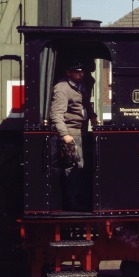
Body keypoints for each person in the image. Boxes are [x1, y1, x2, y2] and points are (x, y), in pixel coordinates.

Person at [50, 59, 97, 211]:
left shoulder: (82, 84)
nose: (81, 74)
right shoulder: (62, 88)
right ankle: (73, 203)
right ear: (68, 73)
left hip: (81, 130)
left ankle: (78, 199)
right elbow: (56, 114)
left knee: (82, 167)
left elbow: (86, 103)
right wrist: (65, 135)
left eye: (82, 71)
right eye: (77, 72)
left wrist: (93, 116)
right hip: (72, 132)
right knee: (76, 168)